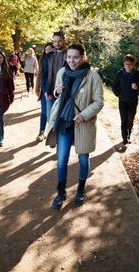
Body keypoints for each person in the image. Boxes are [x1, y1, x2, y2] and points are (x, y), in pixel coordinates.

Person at [45, 43, 104, 209]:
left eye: (76, 57)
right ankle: (61, 191)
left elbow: (99, 102)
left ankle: (80, 190)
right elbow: (58, 94)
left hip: (83, 124)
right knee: (61, 160)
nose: (72, 60)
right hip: (64, 122)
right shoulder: (62, 72)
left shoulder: (93, 77)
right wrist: (57, 90)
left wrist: (84, 115)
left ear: (83, 57)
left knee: (83, 159)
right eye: (69, 57)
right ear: (66, 57)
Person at [112, 53, 139, 151]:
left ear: (133, 64)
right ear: (123, 63)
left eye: (130, 64)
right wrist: (119, 94)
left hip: (133, 101)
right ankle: (124, 138)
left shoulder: (137, 74)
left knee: (130, 121)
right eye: (126, 64)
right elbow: (114, 86)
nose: (128, 66)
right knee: (124, 120)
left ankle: (128, 135)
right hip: (122, 101)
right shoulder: (120, 73)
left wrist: (137, 87)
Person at [40, 31, 66, 121]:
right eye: (55, 41)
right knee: (50, 119)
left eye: (59, 41)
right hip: (50, 93)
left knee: (62, 120)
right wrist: (45, 91)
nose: (57, 44)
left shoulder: (69, 55)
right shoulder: (49, 56)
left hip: (64, 94)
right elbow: (43, 74)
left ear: (64, 40)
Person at [35, 42, 53, 142]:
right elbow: (39, 76)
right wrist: (38, 88)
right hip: (44, 91)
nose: (48, 52)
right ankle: (41, 132)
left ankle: (52, 134)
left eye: (50, 50)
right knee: (44, 112)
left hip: (55, 91)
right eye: (47, 50)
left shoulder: (56, 60)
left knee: (53, 113)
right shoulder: (42, 61)